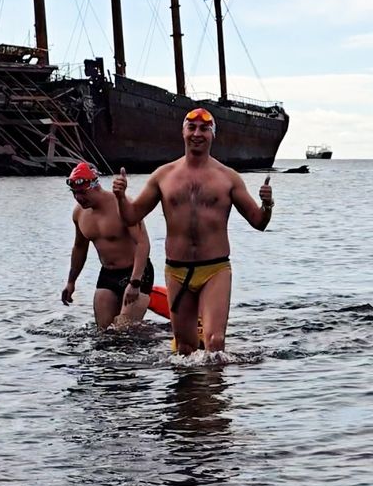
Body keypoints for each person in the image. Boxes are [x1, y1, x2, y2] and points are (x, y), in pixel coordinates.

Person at [112, 108, 273, 355]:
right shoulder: (163, 176)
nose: (197, 134)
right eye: (192, 128)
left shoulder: (228, 178)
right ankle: (189, 394)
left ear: (212, 135)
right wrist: (121, 197)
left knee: (215, 343)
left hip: (215, 269)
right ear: (183, 132)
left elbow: (258, 222)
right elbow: (131, 216)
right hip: (176, 270)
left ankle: (215, 394)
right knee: (185, 348)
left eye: (204, 129)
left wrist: (267, 204)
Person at [61, 161, 154, 329]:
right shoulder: (79, 213)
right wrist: (71, 282)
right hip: (108, 274)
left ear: (95, 186)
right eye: (74, 193)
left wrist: (135, 283)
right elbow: (80, 248)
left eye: (82, 192)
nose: (78, 198)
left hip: (137, 272)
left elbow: (143, 244)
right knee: (103, 332)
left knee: (123, 329)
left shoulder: (122, 205)